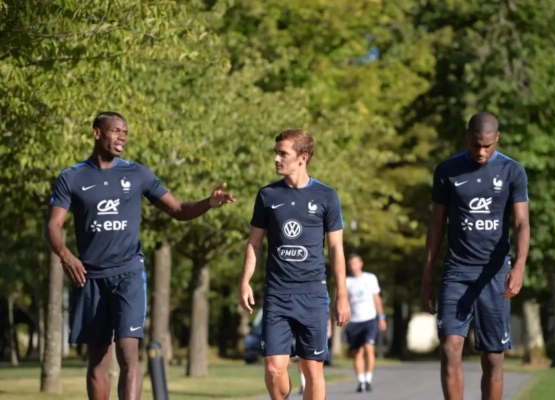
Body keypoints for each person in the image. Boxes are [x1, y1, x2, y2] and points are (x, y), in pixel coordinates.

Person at [44, 111, 235, 400]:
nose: (122, 137)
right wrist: (66, 255)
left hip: (129, 275)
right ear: (97, 133)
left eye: (125, 132)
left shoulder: (138, 174)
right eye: (116, 131)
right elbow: (53, 226)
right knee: (98, 359)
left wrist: (208, 202)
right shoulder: (72, 177)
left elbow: (178, 210)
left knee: (127, 353)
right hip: (90, 278)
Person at [420, 112, 530, 400]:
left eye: (488, 146)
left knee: (493, 358)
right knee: (449, 348)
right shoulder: (447, 171)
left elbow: (522, 223)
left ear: (497, 139)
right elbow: (436, 226)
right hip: (457, 272)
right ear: (467, 137)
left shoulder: (512, 171)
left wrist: (519, 266)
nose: (481, 151)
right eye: (476, 145)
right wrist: (427, 277)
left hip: (495, 274)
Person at [238, 129, 351, 400]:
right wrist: (245, 281)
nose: (276, 159)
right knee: (274, 368)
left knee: (312, 370)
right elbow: (255, 243)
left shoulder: (327, 196)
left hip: (313, 296)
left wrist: (342, 295)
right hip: (277, 294)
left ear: (303, 157)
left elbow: (336, 248)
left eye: (283, 153)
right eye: (275, 153)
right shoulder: (267, 195)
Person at [344, 253, 386, 393]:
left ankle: (368, 379)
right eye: (351, 264)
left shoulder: (370, 278)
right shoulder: (347, 281)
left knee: (369, 348)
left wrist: (381, 317)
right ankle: (361, 381)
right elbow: (344, 301)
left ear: (361, 263)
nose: (353, 266)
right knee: (357, 352)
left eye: (355, 263)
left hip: (369, 318)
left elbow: (377, 298)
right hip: (354, 321)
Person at [298, 316, 332, 395]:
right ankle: (303, 383)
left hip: (316, 325)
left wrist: (329, 327)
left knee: (315, 365)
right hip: (299, 324)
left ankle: (310, 384)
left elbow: (327, 313)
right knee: (301, 359)